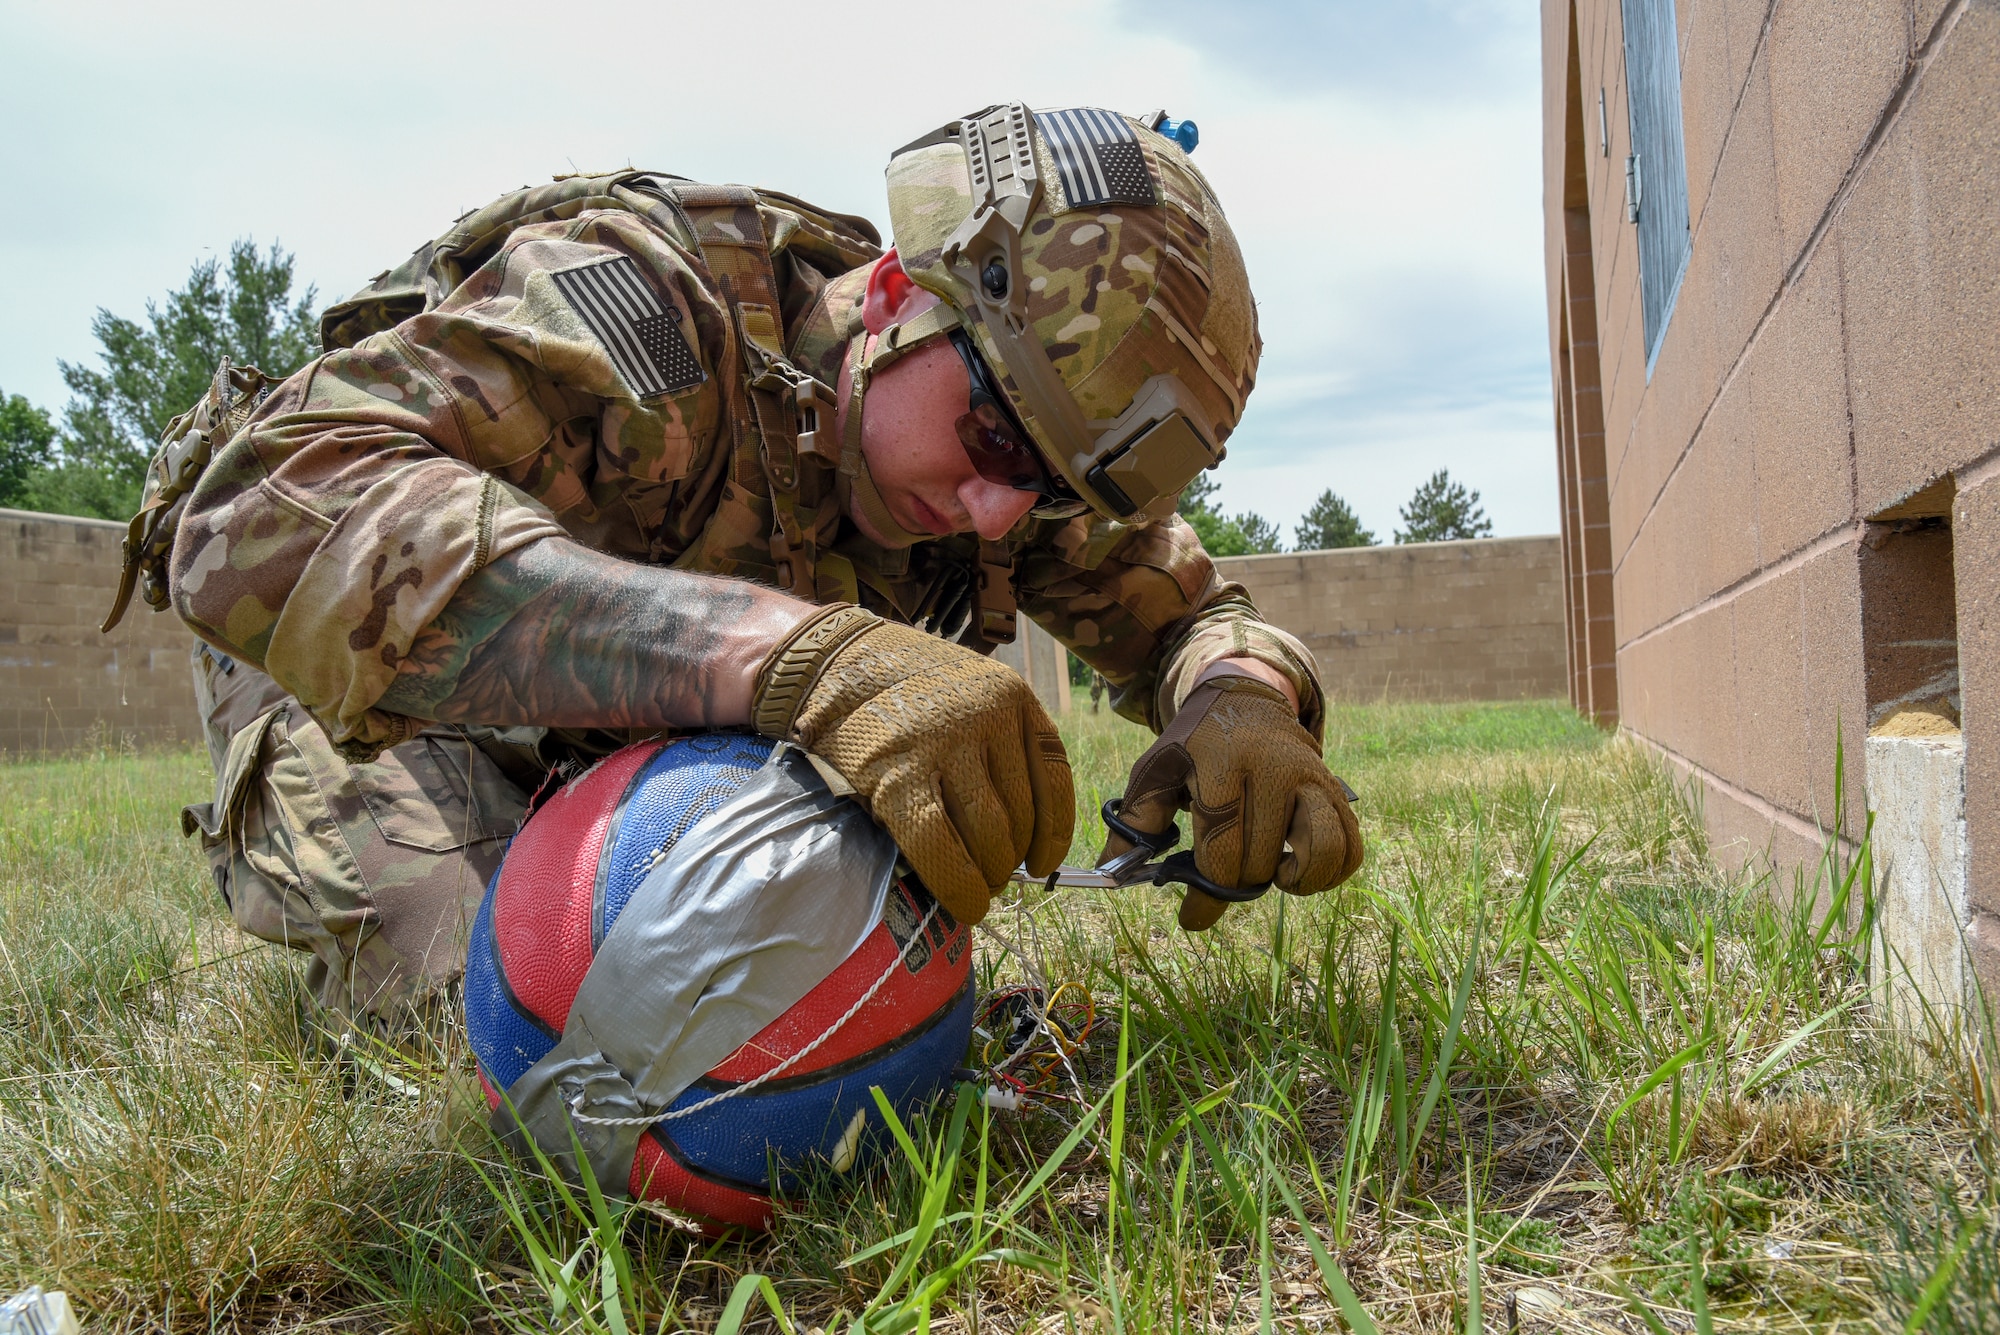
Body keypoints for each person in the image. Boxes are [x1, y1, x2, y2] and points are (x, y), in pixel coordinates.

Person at [139, 103, 1363, 1026]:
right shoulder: (645, 313)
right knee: (531, 1020)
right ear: (895, 290)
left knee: (780, 996)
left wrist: (1239, 701)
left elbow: (1195, 615)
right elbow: (255, 513)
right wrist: (793, 658)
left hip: (621, 726)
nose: (998, 516)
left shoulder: (1016, 451)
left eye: (1051, 488)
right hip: (365, 670)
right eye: (990, 440)